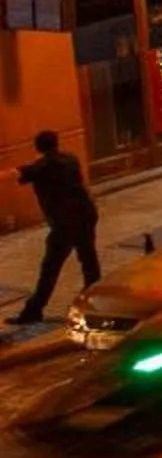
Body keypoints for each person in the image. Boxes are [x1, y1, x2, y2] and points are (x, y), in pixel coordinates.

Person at [12, 131, 98, 323]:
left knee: (50, 267)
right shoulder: (71, 159)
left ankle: (33, 311)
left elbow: (16, 175)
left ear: (38, 147)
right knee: (89, 261)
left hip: (64, 223)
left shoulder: (40, 167)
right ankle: (95, 304)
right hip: (85, 213)